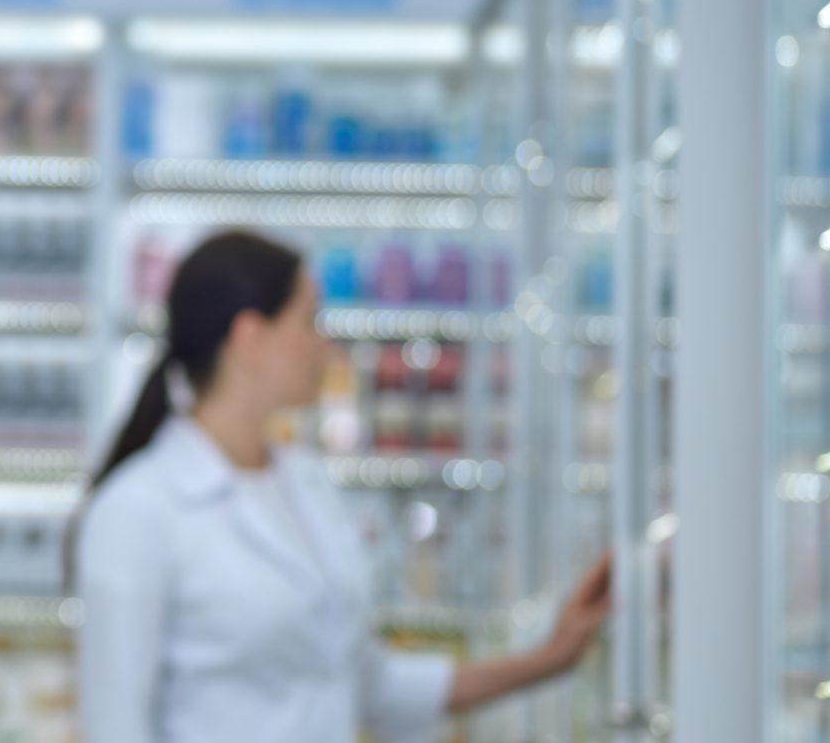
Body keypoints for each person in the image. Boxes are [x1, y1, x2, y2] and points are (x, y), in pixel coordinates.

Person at [75, 229, 613, 742]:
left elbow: (370, 685)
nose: (324, 345)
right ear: (250, 338)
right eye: (310, 320)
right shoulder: (137, 510)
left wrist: (550, 658)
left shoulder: (305, 483)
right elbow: (116, 729)